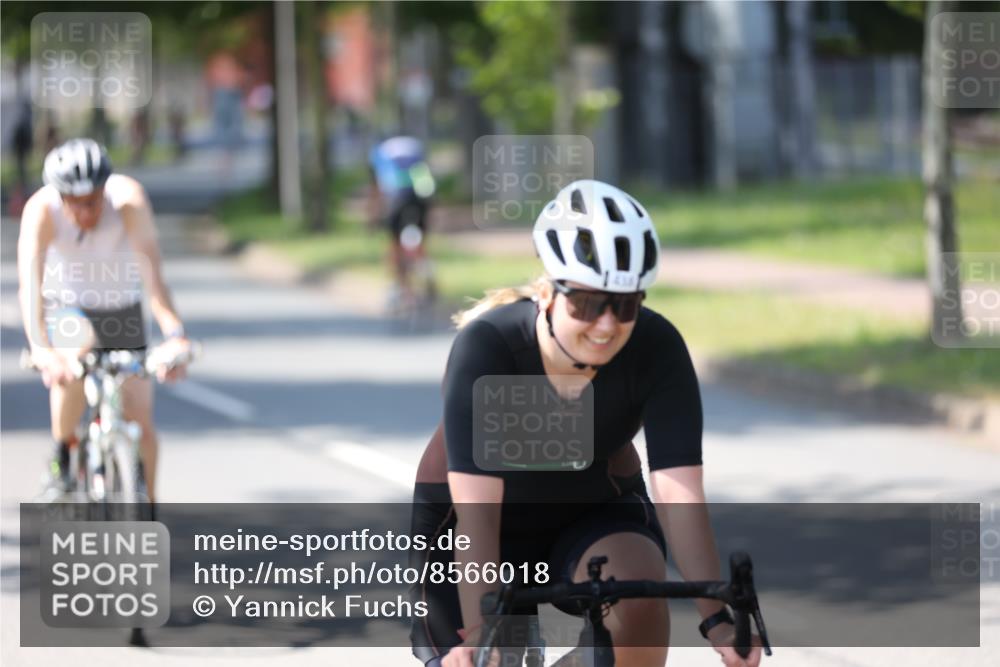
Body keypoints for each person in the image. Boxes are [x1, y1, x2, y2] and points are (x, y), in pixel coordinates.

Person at [409, 180, 762, 667]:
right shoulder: (489, 345)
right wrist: (480, 634)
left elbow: (679, 492)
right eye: (588, 303)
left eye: (626, 304)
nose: (606, 324)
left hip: (592, 507)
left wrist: (718, 622)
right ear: (550, 292)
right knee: (493, 658)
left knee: (639, 603)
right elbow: (479, 516)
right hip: (474, 520)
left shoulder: (656, 347)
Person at [17, 138, 192, 501]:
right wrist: (42, 348)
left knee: (141, 419)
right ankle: (62, 456)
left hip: (120, 311)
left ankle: (145, 507)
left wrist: (174, 334)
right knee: (74, 357)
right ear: (60, 196)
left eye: (94, 200)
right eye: (76, 204)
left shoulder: (128, 201)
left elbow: (154, 279)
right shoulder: (42, 211)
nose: (86, 212)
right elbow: (30, 286)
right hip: (68, 307)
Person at [367, 135, 437, 307]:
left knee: (394, 243)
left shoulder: (379, 153)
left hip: (397, 198)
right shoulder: (414, 146)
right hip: (421, 197)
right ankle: (427, 270)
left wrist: (373, 216)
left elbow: (378, 187)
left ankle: (398, 286)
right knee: (421, 237)